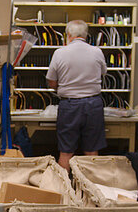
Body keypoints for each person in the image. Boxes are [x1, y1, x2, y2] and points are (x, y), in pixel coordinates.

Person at [46, 19, 107, 171]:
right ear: (86, 35)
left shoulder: (60, 53)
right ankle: (91, 192)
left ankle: (64, 190)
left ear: (68, 35)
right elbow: (103, 73)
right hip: (93, 105)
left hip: (69, 105)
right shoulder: (97, 51)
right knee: (91, 151)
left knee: (66, 152)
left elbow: (52, 82)